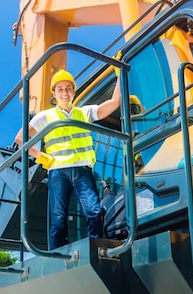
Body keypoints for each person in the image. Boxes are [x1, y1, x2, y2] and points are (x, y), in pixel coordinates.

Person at [15, 69, 121, 249]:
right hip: (58, 171)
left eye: (68, 88)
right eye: (60, 89)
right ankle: (57, 256)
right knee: (58, 219)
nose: (65, 92)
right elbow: (20, 139)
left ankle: (98, 250)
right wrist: (41, 157)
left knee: (93, 212)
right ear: (54, 93)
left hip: (82, 171)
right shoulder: (45, 116)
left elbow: (114, 103)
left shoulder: (84, 112)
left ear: (74, 91)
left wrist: (120, 75)